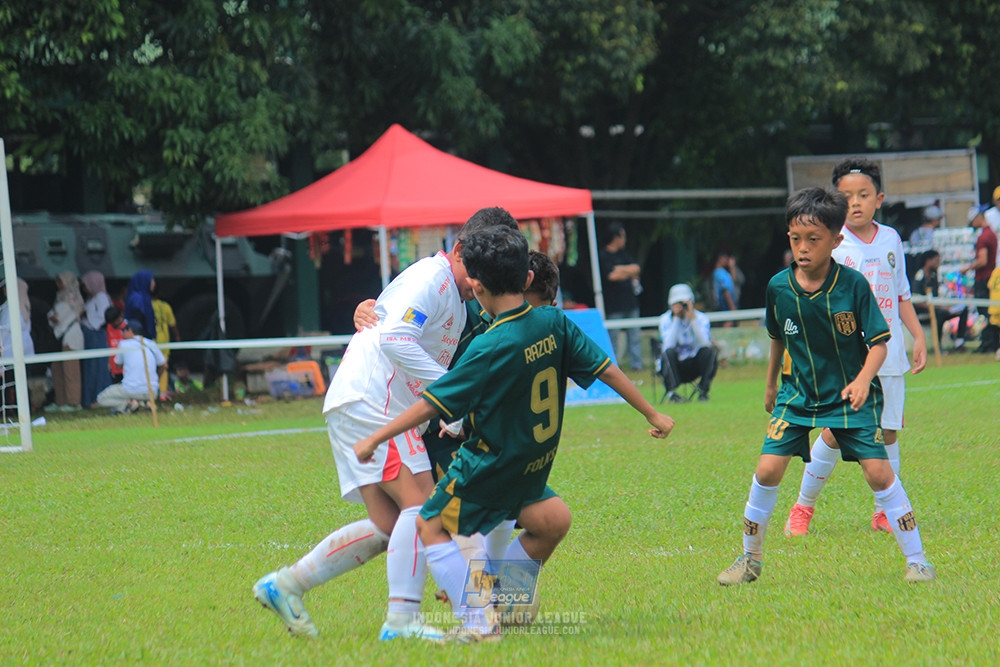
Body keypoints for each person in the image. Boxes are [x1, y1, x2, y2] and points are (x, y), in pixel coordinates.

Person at [353, 225, 675, 642]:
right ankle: (502, 602)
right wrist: (652, 412)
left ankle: (480, 616)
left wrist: (377, 438)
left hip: (488, 463)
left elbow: (433, 402)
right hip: (531, 464)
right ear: (526, 279)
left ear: (477, 285)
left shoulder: (489, 344)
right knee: (554, 518)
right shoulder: (555, 322)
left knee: (432, 524)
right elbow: (606, 368)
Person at [251, 207, 515, 642]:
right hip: (375, 403)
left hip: (385, 406)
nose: (485, 280)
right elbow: (394, 337)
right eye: (483, 267)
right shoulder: (434, 280)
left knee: (396, 525)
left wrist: (453, 409)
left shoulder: (463, 298)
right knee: (428, 509)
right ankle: (414, 621)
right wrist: (455, 396)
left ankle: (287, 584)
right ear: (461, 250)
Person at [717, 186, 935, 587]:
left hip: (849, 398)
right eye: (796, 239)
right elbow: (777, 339)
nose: (803, 248)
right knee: (767, 470)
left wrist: (863, 380)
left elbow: (879, 344)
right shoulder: (778, 287)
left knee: (879, 475)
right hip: (796, 395)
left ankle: (918, 561)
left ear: (836, 241)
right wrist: (769, 387)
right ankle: (749, 560)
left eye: (813, 240)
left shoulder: (852, 285)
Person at [785, 157, 927, 536]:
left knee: (888, 430)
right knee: (835, 430)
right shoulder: (832, 243)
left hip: (890, 350)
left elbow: (901, 295)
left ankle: (884, 511)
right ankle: (803, 506)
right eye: (847, 196)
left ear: (878, 198)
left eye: (863, 195)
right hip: (847, 356)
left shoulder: (891, 238)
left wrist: (918, 335)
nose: (856, 203)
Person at [657, 283, 717, 403]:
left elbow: (704, 343)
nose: (682, 307)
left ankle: (703, 392)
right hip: (675, 366)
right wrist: (676, 319)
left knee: (710, 351)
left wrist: (692, 319)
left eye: (684, 303)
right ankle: (672, 394)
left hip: (694, 364)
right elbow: (668, 346)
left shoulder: (701, 318)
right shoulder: (665, 319)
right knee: (668, 354)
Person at [598, 222, 643, 370]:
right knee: (613, 337)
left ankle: (637, 365)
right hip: (614, 304)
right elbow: (611, 276)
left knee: (634, 336)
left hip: (630, 302)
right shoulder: (604, 255)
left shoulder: (624, 253)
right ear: (616, 237)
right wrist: (627, 272)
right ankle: (613, 367)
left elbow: (636, 268)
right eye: (623, 236)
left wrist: (620, 269)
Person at [96, 321, 166, 413]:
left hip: (131, 390)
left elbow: (117, 367)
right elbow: (163, 364)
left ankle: (128, 405)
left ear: (130, 331)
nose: (122, 334)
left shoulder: (124, 344)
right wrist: (156, 378)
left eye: (124, 331)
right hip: (152, 391)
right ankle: (144, 404)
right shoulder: (151, 343)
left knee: (101, 398)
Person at [954, 204, 998, 353]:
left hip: (984, 279)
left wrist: (966, 269)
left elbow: (982, 260)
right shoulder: (991, 233)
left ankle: (989, 343)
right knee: (989, 312)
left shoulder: (983, 237)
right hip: (989, 277)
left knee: (985, 312)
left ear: (978, 218)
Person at [46, 271, 85, 411]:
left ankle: (74, 403)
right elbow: (51, 319)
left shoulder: (72, 298)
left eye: (60, 281)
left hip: (71, 337)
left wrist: (52, 317)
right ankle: (61, 402)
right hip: (61, 338)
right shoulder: (60, 298)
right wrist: (51, 317)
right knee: (58, 369)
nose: (58, 285)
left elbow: (55, 318)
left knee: (71, 371)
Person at [80, 271, 113, 408]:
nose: (84, 288)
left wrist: (85, 314)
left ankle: (100, 398)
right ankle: (90, 398)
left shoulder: (101, 297)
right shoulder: (91, 298)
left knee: (98, 367)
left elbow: (102, 318)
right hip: (89, 336)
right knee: (90, 367)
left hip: (97, 336)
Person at [911, 250, 952, 349]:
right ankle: (937, 346)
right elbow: (916, 301)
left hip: (934, 308)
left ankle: (959, 341)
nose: (938, 264)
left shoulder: (934, 277)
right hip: (922, 312)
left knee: (961, 310)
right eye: (936, 260)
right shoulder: (919, 276)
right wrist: (937, 306)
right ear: (928, 261)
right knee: (940, 313)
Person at [151, 287, 180, 396]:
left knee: (151, 366)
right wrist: (177, 337)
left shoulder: (146, 306)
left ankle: (153, 391)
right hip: (164, 340)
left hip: (151, 340)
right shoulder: (165, 306)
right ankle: (163, 392)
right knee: (164, 365)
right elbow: (173, 325)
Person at [124, 270, 157, 342]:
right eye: (151, 280)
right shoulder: (137, 298)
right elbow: (137, 320)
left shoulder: (144, 297)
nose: (154, 283)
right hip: (139, 340)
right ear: (144, 281)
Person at [712, 251, 737, 326]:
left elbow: (733, 280)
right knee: (728, 323)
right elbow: (725, 290)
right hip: (726, 304)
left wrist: (732, 267)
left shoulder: (725, 272)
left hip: (729, 304)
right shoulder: (719, 273)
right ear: (720, 259)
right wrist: (732, 307)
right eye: (725, 258)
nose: (727, 260)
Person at [104, 306, 126, 382]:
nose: (113, 324)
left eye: (114, 322)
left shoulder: (128, 328)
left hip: (126, 367)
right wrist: (109, 362)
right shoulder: (109, 327)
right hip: (114, 368)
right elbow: (109, 344)